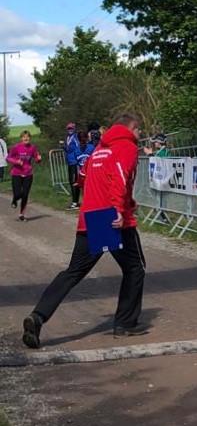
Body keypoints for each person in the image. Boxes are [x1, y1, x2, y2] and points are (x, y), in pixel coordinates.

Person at [21, 114, 148, 349]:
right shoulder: (126, 146)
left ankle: (38, 316)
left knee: (73, 272)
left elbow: (83, 177)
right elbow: (120, 176)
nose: (139, 136)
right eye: (139, 131)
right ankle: (125, 323)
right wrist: (119, 209)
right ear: (132, 128)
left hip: (91, 216)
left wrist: (126, 202)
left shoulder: (99, 148)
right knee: (135, 268)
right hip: (113, 218)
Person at [6, 130, 42, 221]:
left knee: (25, 194)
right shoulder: (16, 147)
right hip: (16, 173)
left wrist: (38, 159)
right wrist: (16, 161)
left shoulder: (33, 148)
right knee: (18, 194)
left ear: (30, 138)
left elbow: (36, 158)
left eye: (27, 137)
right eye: (24, 137)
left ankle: (21, 214)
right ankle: (15, 199)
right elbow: (8, 158)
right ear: (21, 138)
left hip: (28, 173)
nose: (26, 138)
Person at [61, 122, 82, 209]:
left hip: (75, 162)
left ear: (74, 129)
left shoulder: (75, 137)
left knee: (74, 181)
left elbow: (78, 147)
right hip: (69, 162)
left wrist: (77, 158)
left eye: (71, 128)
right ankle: (75, 201)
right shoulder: (67, 137)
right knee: (71, 181)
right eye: (69, 128)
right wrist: (63, 147)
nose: (70, 130)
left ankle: (75, 202)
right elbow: (68, 148)